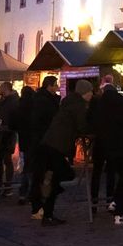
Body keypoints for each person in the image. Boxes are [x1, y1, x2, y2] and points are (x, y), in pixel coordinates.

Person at [31, 79, 93, 226]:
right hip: (56, 146)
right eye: (90, 91)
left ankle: (47, 213)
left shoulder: (67, 103)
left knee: (54, 177)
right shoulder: (78, 105)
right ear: (85, 92)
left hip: (49, 143)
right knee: (65, 174)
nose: (92, 94)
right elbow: (82, 125)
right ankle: (48, 209)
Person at [15, 76, 60, 205]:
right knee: (39, 168)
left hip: (31, 138)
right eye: (55, 85)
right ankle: (36, 194)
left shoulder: (35, 100)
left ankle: (27, 193)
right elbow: (48, 119)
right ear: (49, 86)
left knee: (30, 166)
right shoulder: (44, 101)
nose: (57, 88)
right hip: (40, 138)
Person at [99, 80, 123, 225]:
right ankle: (118, 212)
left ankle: (113, 201)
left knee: (112, 175)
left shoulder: (101, 106)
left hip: (110, 148)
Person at [87, 76, 121, 211]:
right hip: (113, 141)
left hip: (100, 140)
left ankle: (94, 202)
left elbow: (89, 118)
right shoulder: (118, 101)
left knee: (97, 171)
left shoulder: (96, 101)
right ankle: (110, 201)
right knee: (111, 172)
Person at [0, 81, 19, 195]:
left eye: (1, 87)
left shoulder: (13, 102)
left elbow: (13, 118)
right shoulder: (2, 101)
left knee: (7, 159)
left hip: (8, 134)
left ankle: (8, 186)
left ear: (6, 88)